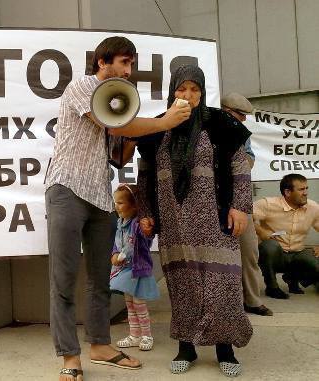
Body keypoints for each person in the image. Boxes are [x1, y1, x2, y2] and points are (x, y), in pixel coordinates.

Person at [45, 36, 190, 381]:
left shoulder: (116, 102)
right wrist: (165, 121)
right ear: (102, 62)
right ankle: (70, 356)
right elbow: (115, 124)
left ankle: (99, 346)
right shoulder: (82, 87)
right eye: (124, 63)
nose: (128, 71)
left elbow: (116, 154)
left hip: (99, 195)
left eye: (131, 65)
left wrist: (141, 136)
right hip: (66, 188)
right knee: (63, 279)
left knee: (100, 279)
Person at [136, 65, 253, 377]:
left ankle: (224, 348)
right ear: (172, 91)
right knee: (182, 284)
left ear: (202, 91)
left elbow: (240, 166)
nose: (187, 96)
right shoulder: (159, 126)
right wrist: (145, 211)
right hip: (175, 222)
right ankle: (186, 347)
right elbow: (144, 173)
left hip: (215, 219)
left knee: (223, 284)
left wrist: (240, 206)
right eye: (181, 89)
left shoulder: (220, 122)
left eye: (194, 90)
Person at [221, 93, 273, 316]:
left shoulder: (243, 135)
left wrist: (236, 162)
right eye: (239, 115)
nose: (243, 120)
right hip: (213, 204)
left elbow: (248, 159)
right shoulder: (206, 129)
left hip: (240, 201)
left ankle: (251, 300)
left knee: (249, 251)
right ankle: (224, 304)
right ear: (225, 111)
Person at [109, 184, 159, 352]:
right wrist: (115, 254)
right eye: (115, 202)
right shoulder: (120, 222)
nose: (117, 206)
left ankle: (146, 335)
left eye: (121, 203)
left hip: (137, 269)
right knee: (129, 303)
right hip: (125, 270)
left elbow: (135, 243)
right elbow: (117, 242)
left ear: (134, 205)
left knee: (139, 303)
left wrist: (121, 256)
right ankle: (134, 335)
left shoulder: (138, 225)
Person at [253, 174, 319, 299]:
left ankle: (292, 277)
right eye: (301, 189)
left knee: (315, 262)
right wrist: (261, 232)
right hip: (277, 255)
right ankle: (272, 287)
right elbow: (245, 216)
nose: (305, 193)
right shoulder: (267, 204)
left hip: (298, 253)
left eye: (306, 188)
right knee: (269, 246)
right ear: (287, 192)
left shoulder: (313, 207)